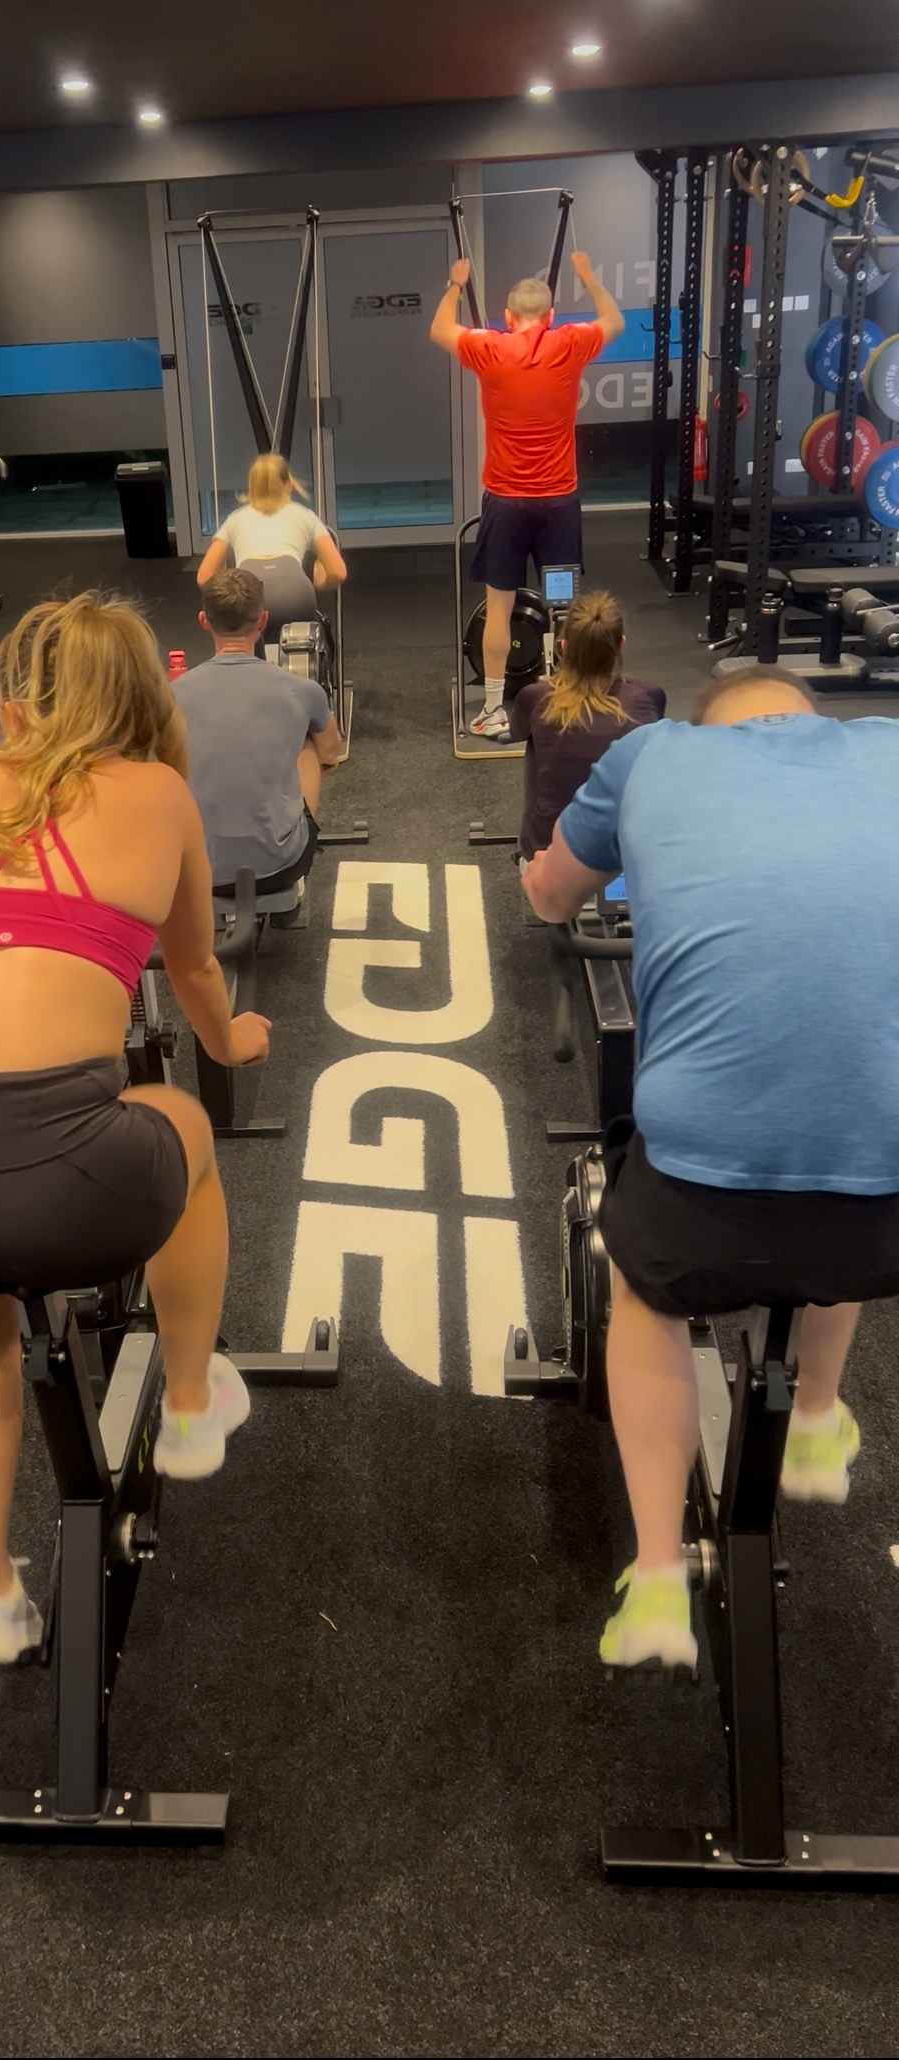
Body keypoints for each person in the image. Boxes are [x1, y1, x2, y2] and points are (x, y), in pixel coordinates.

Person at [0, 593, 271, 1667]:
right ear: (145, 696)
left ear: (13, 697)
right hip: (65, 1176)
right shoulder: (160, 794)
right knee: (184, 1129)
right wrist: (230, 1047)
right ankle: (186, 1402)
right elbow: (194, 974)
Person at [521, 668, 899, 1671]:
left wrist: (541, 875)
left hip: (702, 1198)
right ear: (808, 721)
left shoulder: (652, 753)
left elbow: (553, 891)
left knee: (647, 1290)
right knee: (850, 1134)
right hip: (886, 1202)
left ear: (709, 723)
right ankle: (816, 1416)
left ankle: (654, 1579)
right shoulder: (889, 749)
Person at [430, 249, 624, 739]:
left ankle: (494, 708)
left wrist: (455, 285)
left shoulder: (489, 347)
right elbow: (614, 321)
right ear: (552, 317)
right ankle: (571, 697)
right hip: (558, 505)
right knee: (566, 608)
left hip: (507, 504)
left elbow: (439, 330)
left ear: (509, 317)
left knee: (499, 607)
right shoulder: (571, 342)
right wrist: (588, 277)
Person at [174, 567, 341, 894]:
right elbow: (331, 752)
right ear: (263, 621)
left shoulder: (171, 695)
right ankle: (293, 836)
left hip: (194, 870)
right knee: (309, 740)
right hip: (279, 867)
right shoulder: (302, 689)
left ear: (203, 622)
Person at [506, 590, 665, 859]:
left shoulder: (535, 698)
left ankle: (530, 850)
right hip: (627, 849)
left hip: (552, 851)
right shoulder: (650, 696)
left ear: (564, 647)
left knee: (535, 740)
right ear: (621, 644)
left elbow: (516, 732)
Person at [195, 453, 348, 643]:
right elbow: (338, 573)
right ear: (289, 484)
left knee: (250, 649)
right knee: (300, 650)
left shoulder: (234, 520)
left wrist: (227, 579)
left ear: (251, 487)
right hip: (296, 594)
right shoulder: (305, 516)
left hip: (249, 595)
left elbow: (204, 577)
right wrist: (321, 581)